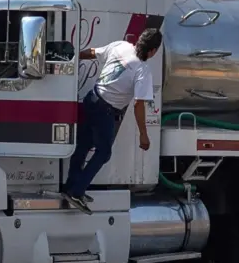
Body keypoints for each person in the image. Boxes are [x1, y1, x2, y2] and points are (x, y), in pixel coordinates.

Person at [62, 29, 163, 214]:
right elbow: (138, 105)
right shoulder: (142, 71)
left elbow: (92, 52)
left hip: (91, 99)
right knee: (104, 152)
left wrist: (73, 57)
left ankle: (72, 187)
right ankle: (76, 192)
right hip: (104, 111)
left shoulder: (120, 45)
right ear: (153, 51)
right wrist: (143, 134)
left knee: (83, 146)